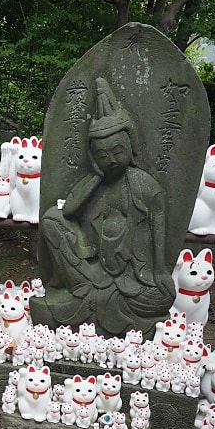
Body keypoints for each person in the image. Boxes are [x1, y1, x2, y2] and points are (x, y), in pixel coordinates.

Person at [31, 78, 175, 336]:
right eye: (102, 155)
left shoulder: (145, 185)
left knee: (162, 297)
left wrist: (160, 271)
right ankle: (82, 290)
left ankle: (86, 300)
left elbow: (158, 225)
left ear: (131, 148)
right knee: (51, 219)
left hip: (134, 277)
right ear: (93, 157)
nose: (111, 160)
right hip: (90, 269)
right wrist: (96, 176)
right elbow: (68, 212)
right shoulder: (94, 183)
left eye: (117, 151)